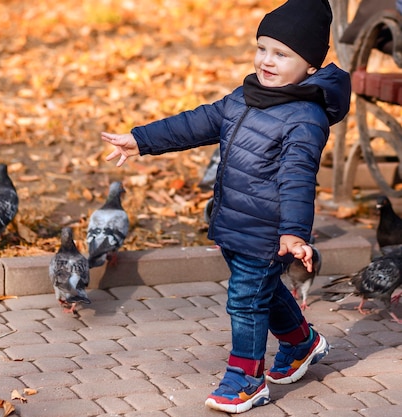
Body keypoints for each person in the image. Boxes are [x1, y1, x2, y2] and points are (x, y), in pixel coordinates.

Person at [101, 0, 351, 413]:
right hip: (234, 220)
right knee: (262, 293)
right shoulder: (246, 95)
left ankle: (245, 379)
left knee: (245, 300)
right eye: (262, 48)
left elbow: (298, 179)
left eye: (282, 54)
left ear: (309, 66)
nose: (267, 60)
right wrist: (140, 140)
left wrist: (293, 232)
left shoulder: (304, 118)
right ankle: (302, 343)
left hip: (268, 229)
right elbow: (196, 122)